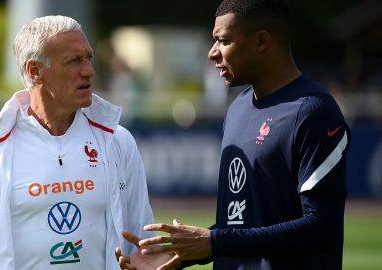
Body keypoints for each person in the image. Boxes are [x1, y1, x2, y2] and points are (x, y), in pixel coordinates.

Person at [117, 0, 351, 269]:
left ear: (261, 41)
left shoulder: (313, 112)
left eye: (224, 40)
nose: (212, 53)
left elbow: (321, 228)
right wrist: (182, 254)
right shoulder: (238, 107)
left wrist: (215, 242)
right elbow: (242, 224)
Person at [0, 15, 156, 270]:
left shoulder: (118, 141)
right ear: (35, 71)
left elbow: (142, 238)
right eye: (73, 61)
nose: (88, 70)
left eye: (88, 58)